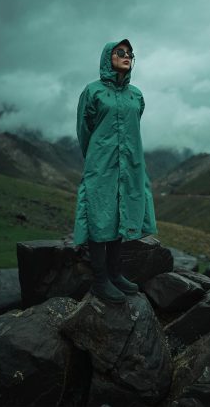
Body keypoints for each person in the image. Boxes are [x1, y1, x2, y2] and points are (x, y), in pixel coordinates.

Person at [73, 38, 158, 304]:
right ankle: (100, 280)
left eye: (130, 53)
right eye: (120, 52)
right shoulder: (92, 91)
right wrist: (98, 157)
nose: (126, 56)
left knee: (120, 215)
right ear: (107, 56)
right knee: (100, 216)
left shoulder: (137, 95)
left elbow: (135, 123)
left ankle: (115, 273)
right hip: (101, 164)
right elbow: (84, 129)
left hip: (130, 164)